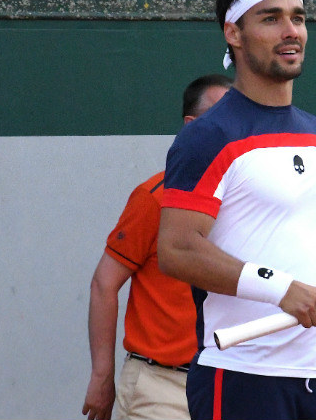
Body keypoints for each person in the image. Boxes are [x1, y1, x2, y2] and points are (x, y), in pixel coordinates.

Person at [156, 0, 316, 420]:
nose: (291, 31)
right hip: (242, 376)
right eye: (271, 19)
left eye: (298, 18)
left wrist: (314, 295)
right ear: (234, 33)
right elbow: (176, 249)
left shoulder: (314, 132)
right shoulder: (208, 136)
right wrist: (282, 288)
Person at [82, 74, 233, 420]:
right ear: (192, 127)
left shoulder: (251, 201)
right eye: (221, 119)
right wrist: (102, 376)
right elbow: (104, 284)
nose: (233, 129)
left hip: (231, 386)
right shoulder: (155, 198)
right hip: (160, 387)